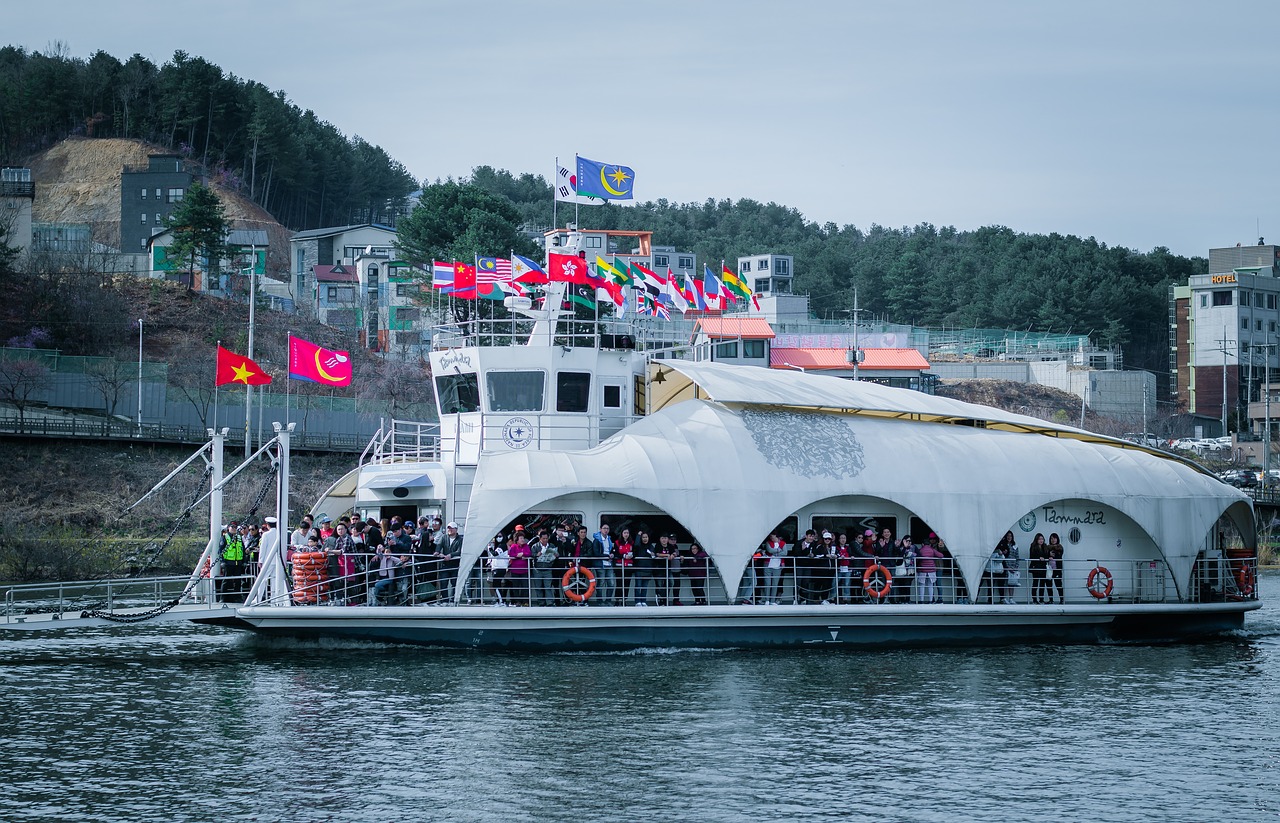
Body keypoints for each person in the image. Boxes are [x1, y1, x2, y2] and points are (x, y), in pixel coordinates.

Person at [436, 522, 464, 601]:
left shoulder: (460, 539)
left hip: (455, 565)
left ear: (456, 529)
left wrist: (450, 555)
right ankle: (444, 599)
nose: (450, 530)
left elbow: (459, 551)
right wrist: (437, 552)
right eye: (449, 528)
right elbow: (439, 545)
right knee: (443, 582)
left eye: (451, 528)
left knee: (454, 583)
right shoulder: (444, 537)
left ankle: (453, 599)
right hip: (445, 564)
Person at [532, 530, 560, 606]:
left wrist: (556, 555)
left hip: (548, 569)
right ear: (540, 538)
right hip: (537, 569)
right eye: (543, 538)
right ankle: (541, 602)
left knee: (548, 587)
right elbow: (531, 555)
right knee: (538, 587)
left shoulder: (551, 546)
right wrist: (536, 555)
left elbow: (556, 554)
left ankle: (550, 602)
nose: (545, 540)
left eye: (546, 538)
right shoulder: (535, 546)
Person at [592, 523, 617, 606]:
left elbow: (611, 550)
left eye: (607, 528)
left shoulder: (609, 539)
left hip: (609, 564)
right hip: (600, 564)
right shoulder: (597, 540)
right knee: (601, 582)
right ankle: (599, 601)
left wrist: (612, 554)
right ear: (600, 529)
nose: (606, 530)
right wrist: (607, 556)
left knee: (611, 583)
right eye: (604, 528)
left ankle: (608, 600)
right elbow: (596, 553)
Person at [506, 530, 533, 605]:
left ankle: (525, 601)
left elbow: (529, 553)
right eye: (521, 538)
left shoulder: (526, 546)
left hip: (524, 570)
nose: (523, 540)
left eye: (523, 538)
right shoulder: (513, 546)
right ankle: (517, 601)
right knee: (516, 587)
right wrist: (518, 555)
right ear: (517, 539)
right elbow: (511, 554)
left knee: (525, 586)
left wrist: (522, 554)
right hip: (515, 570)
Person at [916, 535, 944, 604]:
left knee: (922, 585)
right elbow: (941, 555)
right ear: (929, 544)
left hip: (922, 570)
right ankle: (931, 600)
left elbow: (917, 557)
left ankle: (921, 601)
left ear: (922, 544)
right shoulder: (932, 550)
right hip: (931, 570)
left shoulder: (921, 550)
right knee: (930, 585)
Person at [761, 532, 787, 605]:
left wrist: (775, 553)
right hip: (768, 565)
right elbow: (770, 550)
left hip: (777, 565)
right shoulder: (768, 543)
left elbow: (785, 553)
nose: (771, 538)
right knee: (767, 583)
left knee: (775, 584)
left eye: (772, 536)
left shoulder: (783, 543)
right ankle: (767, 600)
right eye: (770, 536)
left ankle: (772, 600)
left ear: (776, 536)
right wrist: (779, 551)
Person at [655, 533, 679, 606]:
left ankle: (663, 597)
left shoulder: (670, 546)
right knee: (659, 584)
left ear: (667, 539)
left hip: (667, 568)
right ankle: (660, 599)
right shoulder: (658, 545)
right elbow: (657, 554)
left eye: (665, 538)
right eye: (662, 538)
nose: (664, 540)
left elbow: (674, 553)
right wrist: (667, 555)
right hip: (659, 568)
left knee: (671, 582)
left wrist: (673, 555)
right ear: (660, 539)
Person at [632, 530, 655, 606]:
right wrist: (638, 535)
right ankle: (637, 601)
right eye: (643, 537)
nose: (645, 539)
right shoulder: (639, 546)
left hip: (648, 569)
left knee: (645, 587)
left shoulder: (651, 546)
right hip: (639, 569)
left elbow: (653, 555)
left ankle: (643, 601)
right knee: (638, 586)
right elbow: (636, 545)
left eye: (646, 537)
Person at [894, 535, 917, 604]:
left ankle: (907, 600)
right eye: (907, 541)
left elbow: (919, 555)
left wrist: (912, 555)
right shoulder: (900, 548)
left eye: (910, 541)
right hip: (902, 568)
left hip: (910, 570)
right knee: (901, 585)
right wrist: (904, 548)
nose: (908, 542)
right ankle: (902, 600)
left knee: (907, 585)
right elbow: (899, 557)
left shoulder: (914, 547)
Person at [1029, 532, 1049, 604]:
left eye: (1042, 539)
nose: (1041, 540)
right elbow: (1031, 556)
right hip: (1036, 567)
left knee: (1042, 584)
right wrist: (1038, 558)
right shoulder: (1033, 546)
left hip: (1043, 567)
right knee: (1035, 583)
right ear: (1036, 540)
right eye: (1039, 539)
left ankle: (1041, 599)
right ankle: (1034, 599)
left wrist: (1047, 557)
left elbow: (1046, 556)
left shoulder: (1045, 547)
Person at [615, 527, 634, 605]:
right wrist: (623, 556)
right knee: (619, 583)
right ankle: (617, 600)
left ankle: (624, 599)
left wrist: (631, 555)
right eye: (625, 533)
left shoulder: (632, 543)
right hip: (619, 566)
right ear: (622, 534)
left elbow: (635, 552)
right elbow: (616, 553)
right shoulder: (617, 542)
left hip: (628, 566)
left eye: (627, 533)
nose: (626, 534)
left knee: (627, 583)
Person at [1001, 530, 1021, 604]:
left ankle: (1011, 598)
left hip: (1013, 566)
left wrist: (1016, 567)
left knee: (1012, 582)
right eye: (1008, 536)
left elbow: (1017, 556)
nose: (1009, 537)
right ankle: (1004, 598)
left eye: (1010, 536)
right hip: (1006, 566)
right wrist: (1007, 567)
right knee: (1005, 582)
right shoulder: (1003, 545)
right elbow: (1003, 557)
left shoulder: (1015, 545)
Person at [835, 533, 855, 604]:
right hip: (839, 568)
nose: (843, 540)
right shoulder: (836, 548)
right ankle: (835, 598)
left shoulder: (848, 548)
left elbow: (851, 554)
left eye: (844, 538)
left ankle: (846, 599)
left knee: (846, 584)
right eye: (841, 538)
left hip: (847, 569)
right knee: (836, 583)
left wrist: (852, 556)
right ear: (839, 539)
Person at [1047, 532, 1065, 604]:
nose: (1053, 540)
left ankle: (1061, 599)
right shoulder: (1047, 548)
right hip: (1049, 569)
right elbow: (1045, 554)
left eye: (1054, 538)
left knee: (1058, 584)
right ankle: (1051, 600)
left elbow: (1058, 555)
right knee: (1049, 584)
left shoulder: (1060, 547)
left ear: (1057, 539)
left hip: (1057, 569)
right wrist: (1048, 554)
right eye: (1051, 538)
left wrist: (1051, 555)